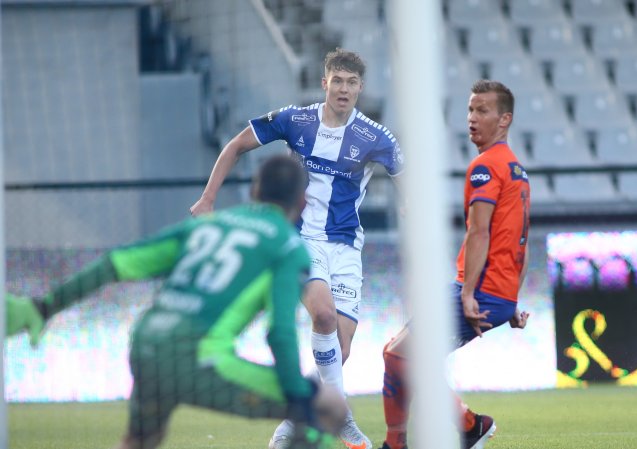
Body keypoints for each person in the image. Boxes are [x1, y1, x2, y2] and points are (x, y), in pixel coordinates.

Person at [5, 155, 348, 449]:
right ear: (302, 203)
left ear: (255, 190)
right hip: (196, 358)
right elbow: (280, 333)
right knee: (328, 407)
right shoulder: (288, 248)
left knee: (139, 442)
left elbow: (115, 263)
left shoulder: (207, 226)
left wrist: (44, 306)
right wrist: (300, 400)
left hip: (146, 342)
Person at [190, 48, 403, 449]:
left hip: (347, 248)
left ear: (360, 88)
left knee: (339, 349)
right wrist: (208, 199)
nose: (343, 89)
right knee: (322, 315)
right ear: (325, 83)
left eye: (351, 82)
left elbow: (405, 179)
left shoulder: (375, 137)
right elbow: (237, 144)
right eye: (336, 80)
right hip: (302, 240)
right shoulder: (296, 120)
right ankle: (343, 418)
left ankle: (297, 415)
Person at [380, 80, 531, 449]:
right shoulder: (517, 170)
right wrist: (510, 302)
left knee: (399, 353)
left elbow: (480, 233)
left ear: (504, 119)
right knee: (406, 355)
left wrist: (467, 294)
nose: (472, 118)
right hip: (497, 294)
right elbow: (519, 239)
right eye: (470, 110)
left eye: (483, 110)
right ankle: (414, 438)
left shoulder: (485, 167)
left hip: (478, 291)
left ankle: (465, 426)